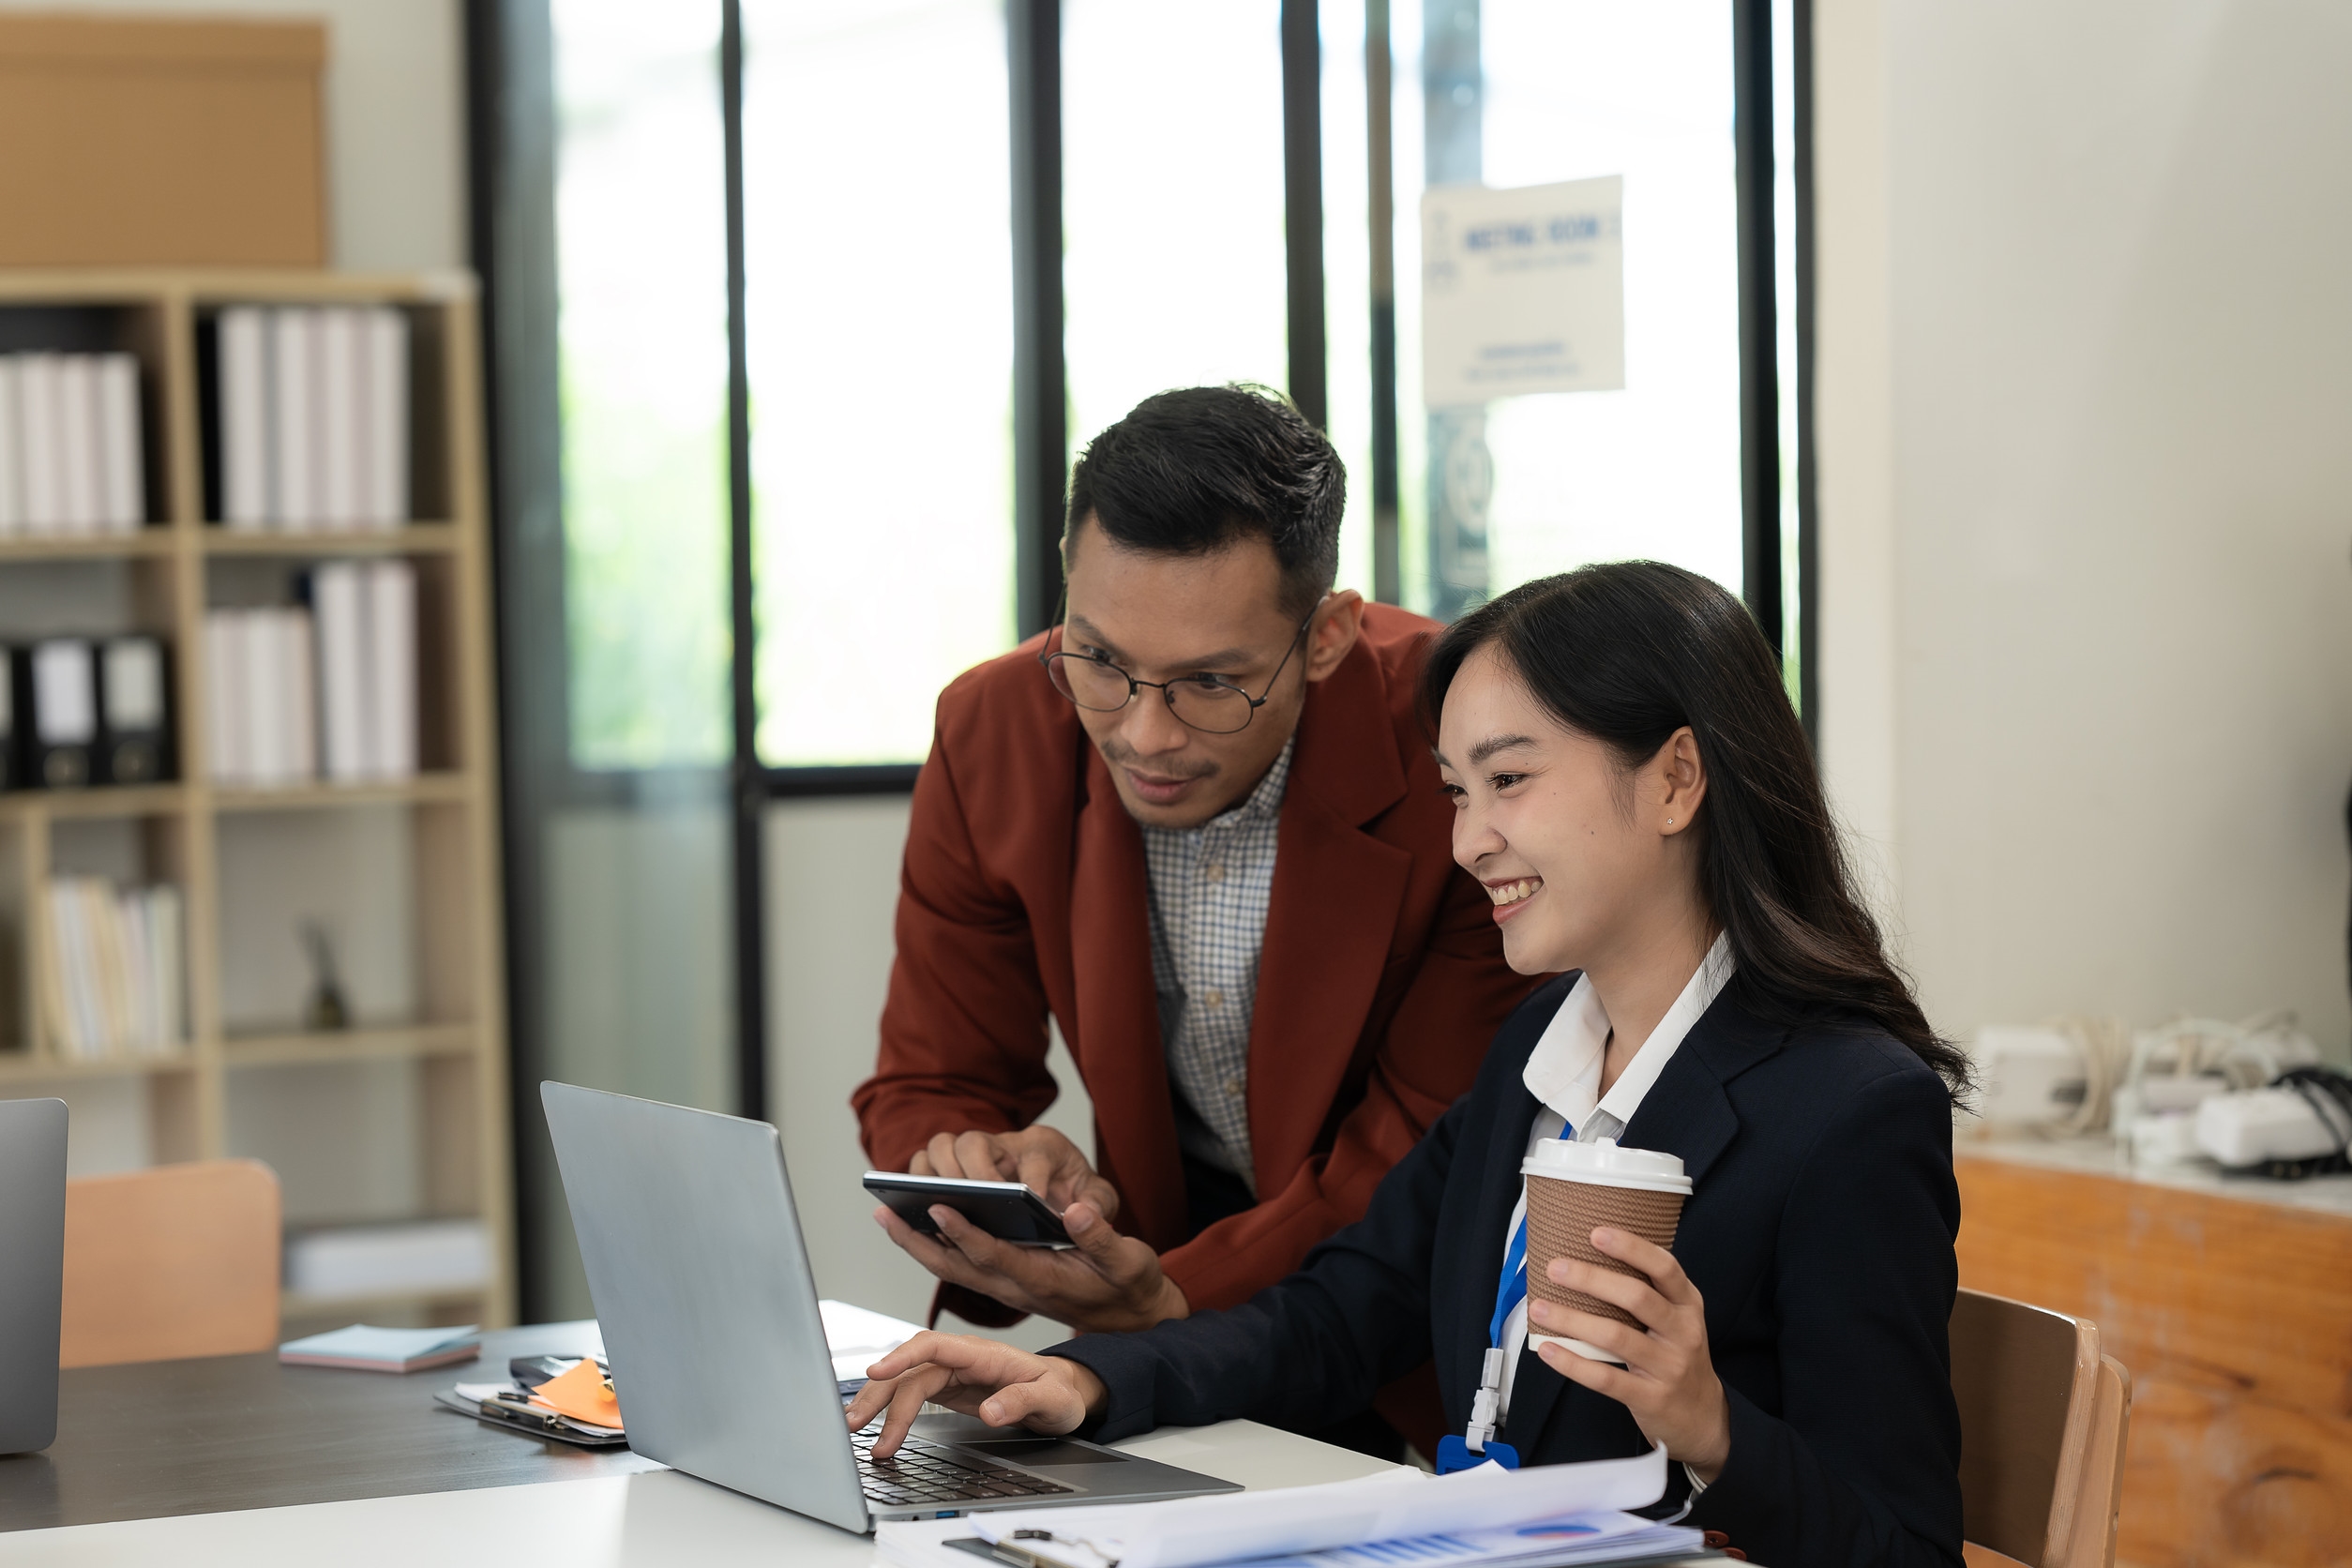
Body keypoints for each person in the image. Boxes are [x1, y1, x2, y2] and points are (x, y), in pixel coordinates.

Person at [849, 562, 1971, 1566]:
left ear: (1678, 780)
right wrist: (1088, 1376)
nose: (1467, 839)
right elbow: (1344, 1309)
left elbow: (1905, 1546)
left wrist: (1711, 1425)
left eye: (1509, 780)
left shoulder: (1851, 1110)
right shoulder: (1537, 1050)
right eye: (1453, 791)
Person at [852, 386, 1535, 1447]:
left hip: (1419, 1318)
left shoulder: (1454, 742)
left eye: (1211, 682)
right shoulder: (997, 728)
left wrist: (1166, 1299)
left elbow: (1425, 1137)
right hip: (1160, 1349)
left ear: (1328, 637)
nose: (1145, 733)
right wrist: (994, 1179)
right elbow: (933, 1080)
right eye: (1101, 661)